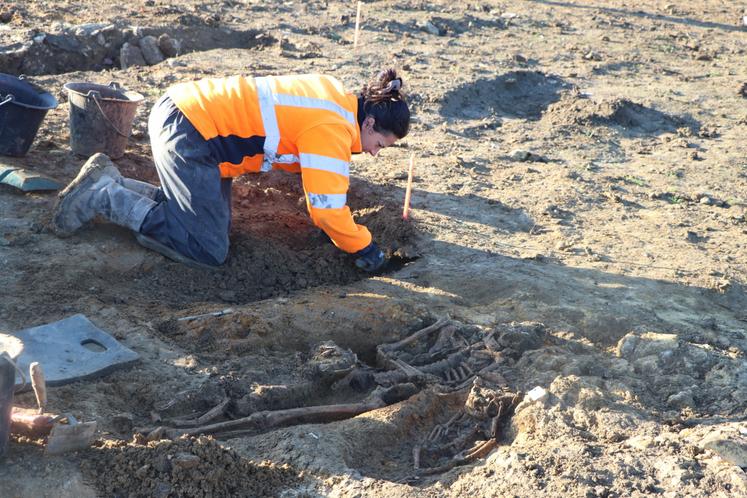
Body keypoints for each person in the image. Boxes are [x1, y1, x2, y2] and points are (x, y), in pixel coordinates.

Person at [52, 69, 410, 271]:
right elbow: (328, 211)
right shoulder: (331, 129)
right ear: (370, 123)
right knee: (205, 247)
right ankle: (104, 196)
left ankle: (111, 181)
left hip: (188, 116)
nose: (376, 154)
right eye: (381, 144)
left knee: (212, 227)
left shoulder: (333, 95)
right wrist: (364, 248)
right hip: (191, 133)